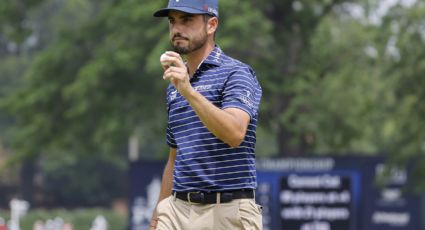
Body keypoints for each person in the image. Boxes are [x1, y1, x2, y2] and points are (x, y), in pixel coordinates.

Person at [151, 0, 262, 229]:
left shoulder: (237, 74)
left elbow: (234, 133)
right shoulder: (174, 86)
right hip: (177, 211)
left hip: (226, 211)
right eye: (172, 21)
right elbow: (175, 158)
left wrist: (188, 91)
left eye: (187, 19)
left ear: (211, 25)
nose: (177, 29)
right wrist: (157, 216)